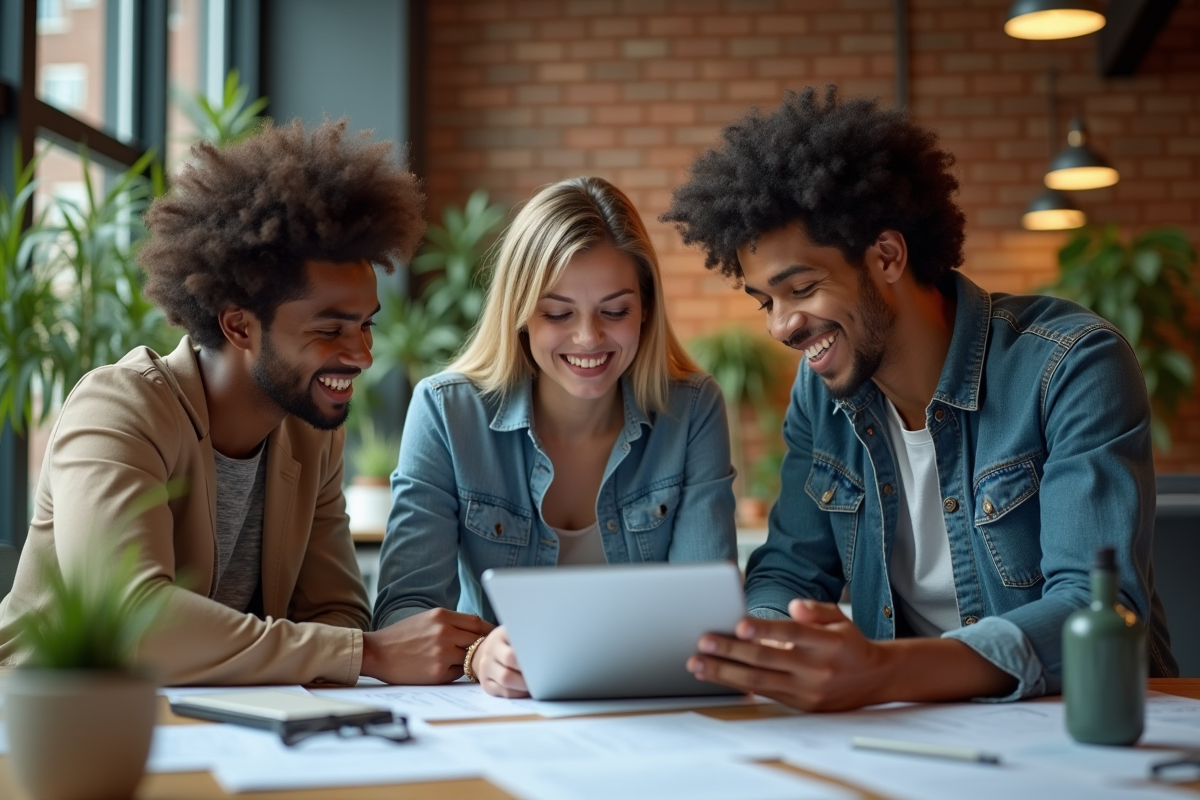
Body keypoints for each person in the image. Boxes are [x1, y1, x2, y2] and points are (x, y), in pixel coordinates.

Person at [661, 86, 1177, 711]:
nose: (780, 327)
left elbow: (1096, 612)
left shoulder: (1070, 363)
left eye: (801, 288)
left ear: (886, 255)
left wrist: (881, 671)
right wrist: (761, 641)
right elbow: (792, 570)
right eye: (765, 302)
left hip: (1081, 720)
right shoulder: (822, 393)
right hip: (908, 730)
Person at [0, 119, 429, 686]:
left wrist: (342, 648)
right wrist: (365, 655)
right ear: (239, 325)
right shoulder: (119, 409)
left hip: (214, 724)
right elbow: (133, 621)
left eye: (366, 326)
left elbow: (336, 612)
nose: (362, 356)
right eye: (331, 330)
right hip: (51, 723)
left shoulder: (312, 430)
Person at [373, 176, 738, 697]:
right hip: (505, 717)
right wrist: (479, 654)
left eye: (614, 311)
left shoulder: (693, 409)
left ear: (646, 311)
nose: (588, 338)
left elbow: (705, 623)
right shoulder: (447, 412)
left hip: (657, 713)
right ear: (519, 314)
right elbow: (402, 615)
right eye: (557, 313)